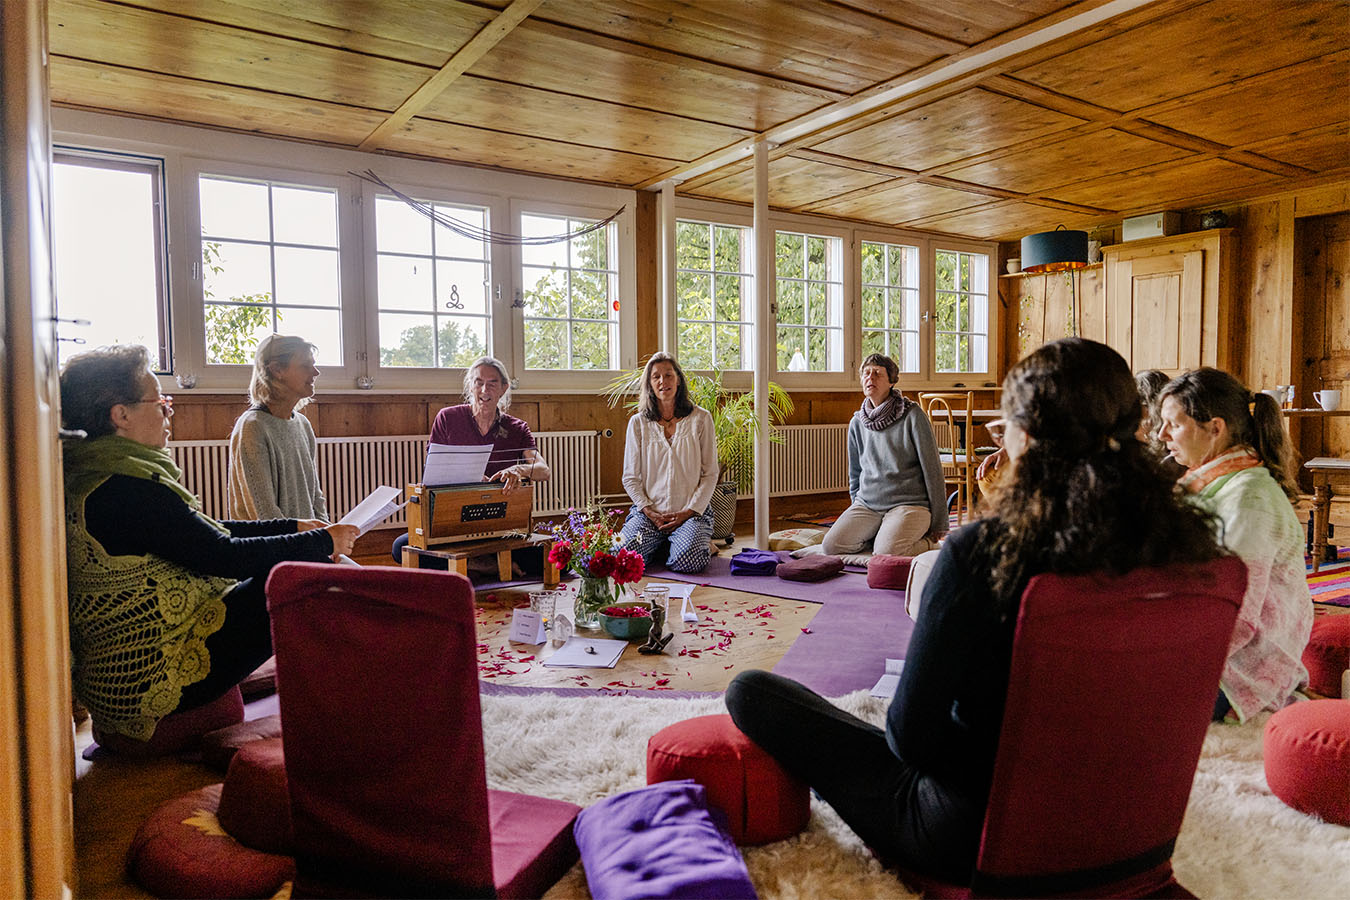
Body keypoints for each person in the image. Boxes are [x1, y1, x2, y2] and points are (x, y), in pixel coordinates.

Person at [726, 338, 1222, 883]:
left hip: (975, 836)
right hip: (1136, 828)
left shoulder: (982, 552)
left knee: (752, 692)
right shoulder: (1196, 553)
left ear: (1025, 436)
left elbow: (910, 740)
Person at [61, 345, 358, 744]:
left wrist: (297, 527)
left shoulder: (105, 475)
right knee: (295, 579)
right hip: (149, 684)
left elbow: (206, 529)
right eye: (160, 402)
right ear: (121, 415)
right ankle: (347, 713)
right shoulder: (125, 489)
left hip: (124, 680)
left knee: (299, 564)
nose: (169, 412)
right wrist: (320, 541)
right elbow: (223, 555)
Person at [1157, 367, 1312, 722]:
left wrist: (1162, 653)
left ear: (1215, 428)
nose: (1163, 435)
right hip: (1211, 647)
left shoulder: (1250, 498)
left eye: (1174, 424)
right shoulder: (1209, 484)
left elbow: (1235, 615)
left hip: (1243, 668)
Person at [390, 356, 550, 564]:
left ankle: (470, 564)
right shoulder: (448, 418)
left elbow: (543, 470)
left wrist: (517, 470)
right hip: (453, 523)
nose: (485, 389)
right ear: (470, 386)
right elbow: (433, 471)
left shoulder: (517, 427)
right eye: (479, 382)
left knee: (555, 560)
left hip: (501, 524)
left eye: (492, 383)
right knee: (400, 548)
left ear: (503, 388)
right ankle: (485, 566)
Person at [822, 353, 945, 558]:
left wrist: (940, 521)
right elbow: (855, 473)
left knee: (887, 551)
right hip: (868, 504)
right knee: (831, 546)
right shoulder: (857, 423)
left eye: (878, 374)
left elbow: (933, 470)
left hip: (910, 503)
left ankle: (927, 545)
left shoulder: (913, 415)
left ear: (891, 381)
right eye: (866, 374)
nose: (870, 378)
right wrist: (855, 507)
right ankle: (879, 533)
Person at [620, 351, 717, 574]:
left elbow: (710, 473)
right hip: (650, 515)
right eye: (656, 377)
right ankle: (668, 544)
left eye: (668, 375)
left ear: (679, 379)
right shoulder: (638, 423)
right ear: (649, 385)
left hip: (690, 514)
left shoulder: (701, 419)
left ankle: (685, 544)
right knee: (622, 558)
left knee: (687, 562)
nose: (663, 381)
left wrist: (688, 512)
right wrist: (648, 511)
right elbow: (630, 477)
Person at [227, 334, 328, 521]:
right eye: (306, 366)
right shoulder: (253, 427)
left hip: (304, 543)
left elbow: (315, 496)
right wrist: (316, 541)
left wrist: (330, 537)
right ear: (277, 370)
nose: (315, 372)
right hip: (270, 547)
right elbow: (265, 514)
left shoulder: (302, 425)